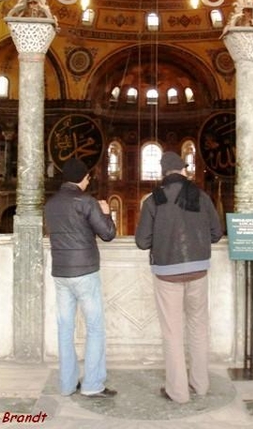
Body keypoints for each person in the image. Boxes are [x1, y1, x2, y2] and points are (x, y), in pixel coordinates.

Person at [135, 151, 224, 404]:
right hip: (198, 271)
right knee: (198, 328)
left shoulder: (154, 199)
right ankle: (201, 385)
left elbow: (142, 242)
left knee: (172, 332)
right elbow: (216, 234)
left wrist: (160, 237)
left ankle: (178, 392)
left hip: (167, 274)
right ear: (183, 170)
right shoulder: (202, 196)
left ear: (164, 173)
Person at [44, 157, 117, 398]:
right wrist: (107, 213)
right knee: (95, 328)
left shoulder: (51, 204)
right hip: (85, 273)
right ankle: (92, 384)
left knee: (65, 328)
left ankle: (66, 384)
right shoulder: (86, 202)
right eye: (87, 178)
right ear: (83, 179)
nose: (88, 182)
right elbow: (107, 234)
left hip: (61, 273)